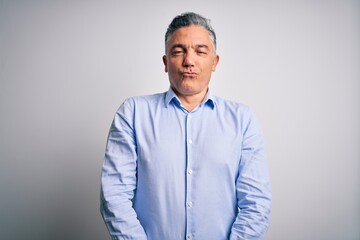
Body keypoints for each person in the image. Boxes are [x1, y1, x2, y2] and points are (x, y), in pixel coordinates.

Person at [100, 12, 271, 240]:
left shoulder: (242, 120)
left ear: (215, 62)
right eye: (178, 51)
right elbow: (114, 196)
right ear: (165, 62)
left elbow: (256, 204)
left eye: (200, 51)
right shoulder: (132, 113)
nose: (189, 60)